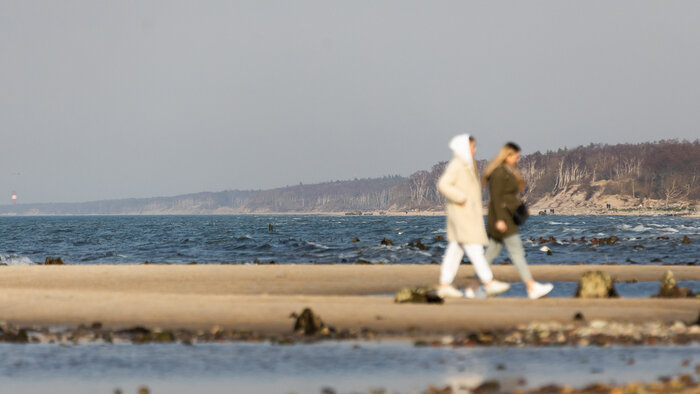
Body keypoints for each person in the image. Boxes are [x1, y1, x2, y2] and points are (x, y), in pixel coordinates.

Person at [436, 134, 511, 299]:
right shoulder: (457, 165)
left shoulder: (467, 165)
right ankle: (488, 282)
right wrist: (461, 197)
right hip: (462, 215)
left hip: (465, 215)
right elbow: (443, 184)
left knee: (456, 249)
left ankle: (444, 285)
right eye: (473, 146)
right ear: (464, 147)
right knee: (474, 248)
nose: (475, 149)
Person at [482, 142, 553, 299]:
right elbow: (497, 198)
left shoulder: (508, 171)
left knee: (491, 253)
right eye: (516, 156)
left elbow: (507, 195)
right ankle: (531, 287)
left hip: (508, 217)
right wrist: (500, 219)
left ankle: (475, 285)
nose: (518, 160)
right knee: (517, 252)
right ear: (507, 155)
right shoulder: (499, 172)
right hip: (503, 219)